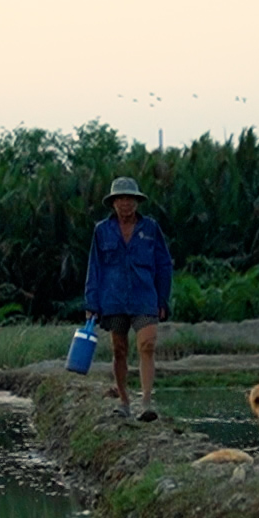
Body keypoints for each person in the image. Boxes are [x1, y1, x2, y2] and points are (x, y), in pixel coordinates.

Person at [84, 177, 173, 421]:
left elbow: (164, 265)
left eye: (130, 199)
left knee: (147, 345)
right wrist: (91, 303)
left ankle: (145, 401)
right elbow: (95, 267)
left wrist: (162, 299)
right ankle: (124, 401)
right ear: (113, 203)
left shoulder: (150, 229)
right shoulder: (102, 231)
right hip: (112, 298)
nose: (125, 204)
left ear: (137, 202)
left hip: (145, 297)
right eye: (120, 199)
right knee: (119, 350)